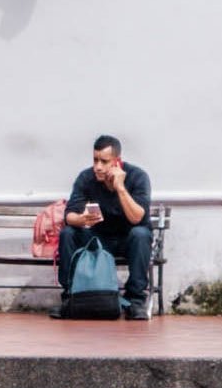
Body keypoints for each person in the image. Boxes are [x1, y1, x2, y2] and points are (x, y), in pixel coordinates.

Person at [58, 135, 152, 315]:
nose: (98, 167)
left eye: (104, 161)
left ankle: (135, 300)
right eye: (95, 160)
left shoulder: (138, 177)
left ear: (117, 162)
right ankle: (70, 297)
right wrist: (81, 219)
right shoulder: (86, 177)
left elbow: (137, 218)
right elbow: (69, 215)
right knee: (68, 233)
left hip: (128, 239)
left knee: (141, 234)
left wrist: (120, 187)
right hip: (98, 240)